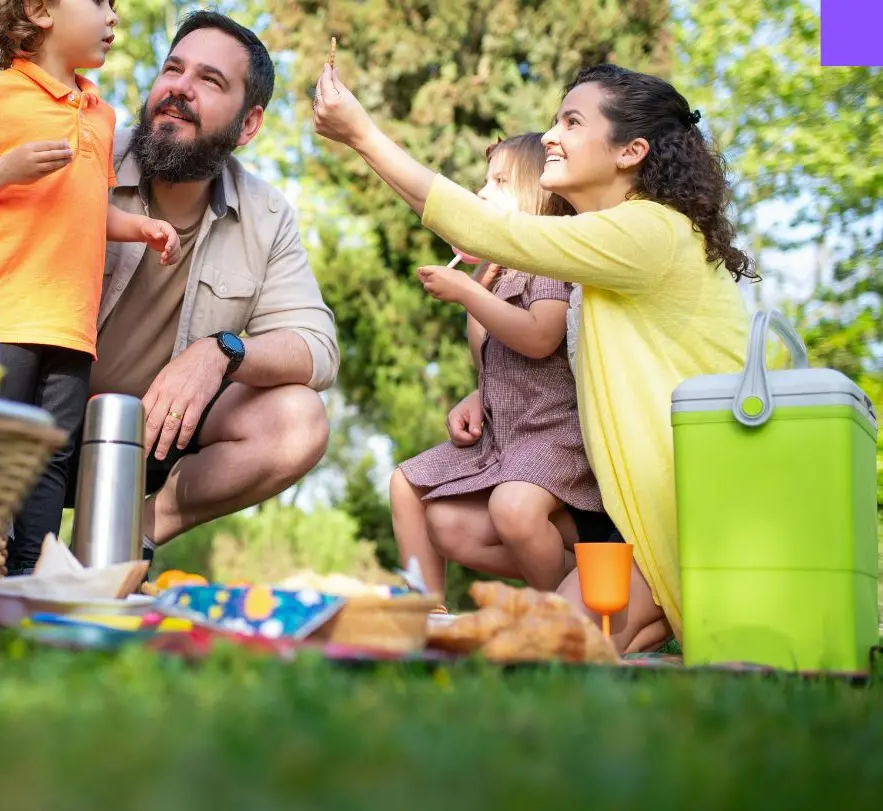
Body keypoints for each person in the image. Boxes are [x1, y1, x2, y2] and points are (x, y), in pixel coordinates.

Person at [313, 62, 754, 653]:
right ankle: (609, 602)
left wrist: (362, 135)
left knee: (539, 651)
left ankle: (654, 609)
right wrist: (485, 389)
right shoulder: (609, 253)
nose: (550, 135)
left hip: (681, 521)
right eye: (555, 121)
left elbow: (490, 232)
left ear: (631, 152)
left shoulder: (649, 232)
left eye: (572, 122)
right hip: (629, 517)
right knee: (452, 524)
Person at [0, 10, 339, 573]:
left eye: (209, 80)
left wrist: (223, 351)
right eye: (173, 69)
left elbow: (317, 347)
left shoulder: (268, 216)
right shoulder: (76, 142)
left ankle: (123, 542)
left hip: (144, 441)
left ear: (248, 126)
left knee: (299, 419)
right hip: (15, 409)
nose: (179, 88)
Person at [0, 0, 181, 574]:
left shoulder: (101, 115)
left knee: (53, 454)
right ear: (42, 10)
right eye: (100, 2)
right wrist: (5, 171)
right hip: (7, 317)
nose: (113, 17)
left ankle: (28, 576)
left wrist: (140, 227)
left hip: (72, 328)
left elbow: (90, 207)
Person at [391, 133, 612, 601]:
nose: (482, 194)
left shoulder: (547, 260)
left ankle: (573, 613)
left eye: (499, 182)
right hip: (505, 438)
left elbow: (538, 337)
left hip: (553, 435)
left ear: (538, 195)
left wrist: (467, 294)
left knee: (513, 509)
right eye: (483, 182)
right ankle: (424, 616)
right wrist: (478, 394)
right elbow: (498, 359)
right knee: (418, 497)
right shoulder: (491, 274)